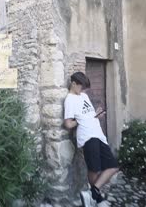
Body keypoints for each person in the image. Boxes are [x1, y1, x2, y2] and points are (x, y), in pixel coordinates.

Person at [63, 72, 119, 207]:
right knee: (94, 169)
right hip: (87, 137)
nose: (82, 90)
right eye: (81, 87)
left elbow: (88, 115)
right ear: (74, 84)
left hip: (98, 134)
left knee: (113, 166)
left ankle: (92, 193)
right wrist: (80, 121)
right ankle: (97, 200)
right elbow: (68, 124)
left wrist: (96, 115)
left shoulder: (84, 96)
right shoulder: (69, 99)